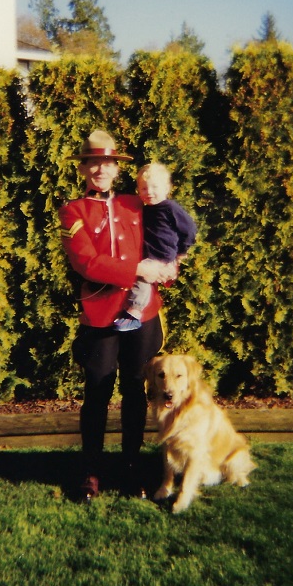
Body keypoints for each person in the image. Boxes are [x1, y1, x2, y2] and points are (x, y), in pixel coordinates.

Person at [59, 130, 171, 501]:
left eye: (107, 163)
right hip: (102, 316)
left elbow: (166, 235)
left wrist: (170, 267)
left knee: (135, 391)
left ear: (116, 169)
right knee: (97, 391)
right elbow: (87, 263)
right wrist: (139, 271)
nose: (100, 169)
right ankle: (91, 471)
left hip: (143, 313)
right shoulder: (73, 210)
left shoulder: (135, 204)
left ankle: (131, 468)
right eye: (93, 163)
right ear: (84, 168)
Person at [114, 162, 197, 331]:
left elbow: (189, 229)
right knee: (141, 277)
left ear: (167, 188)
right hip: (149, 254)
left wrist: (181, 251)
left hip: (162, 256)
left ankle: (134, 313)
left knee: (143, 280)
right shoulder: (145, 209)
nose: (149, 192)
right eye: (144, 188)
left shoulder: (170, 208)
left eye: (154, 187)